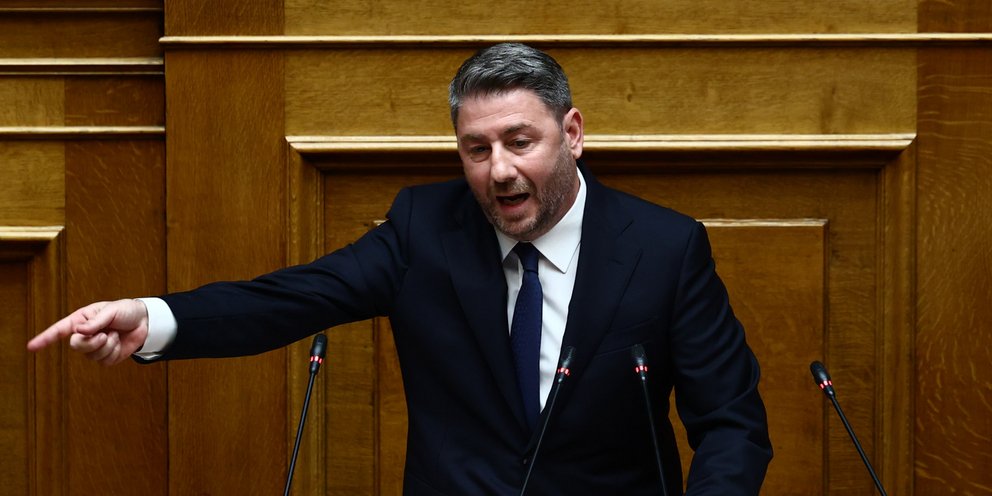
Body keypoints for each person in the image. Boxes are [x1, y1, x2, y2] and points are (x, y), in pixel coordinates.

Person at [28, 43, 772, 495]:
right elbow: (293, 298)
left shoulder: (665, 247)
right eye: (477, 149)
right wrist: (153, 318)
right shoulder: (424, 229)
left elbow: (731, 425)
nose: (499, 170)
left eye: (520, 142)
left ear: (572, 134)